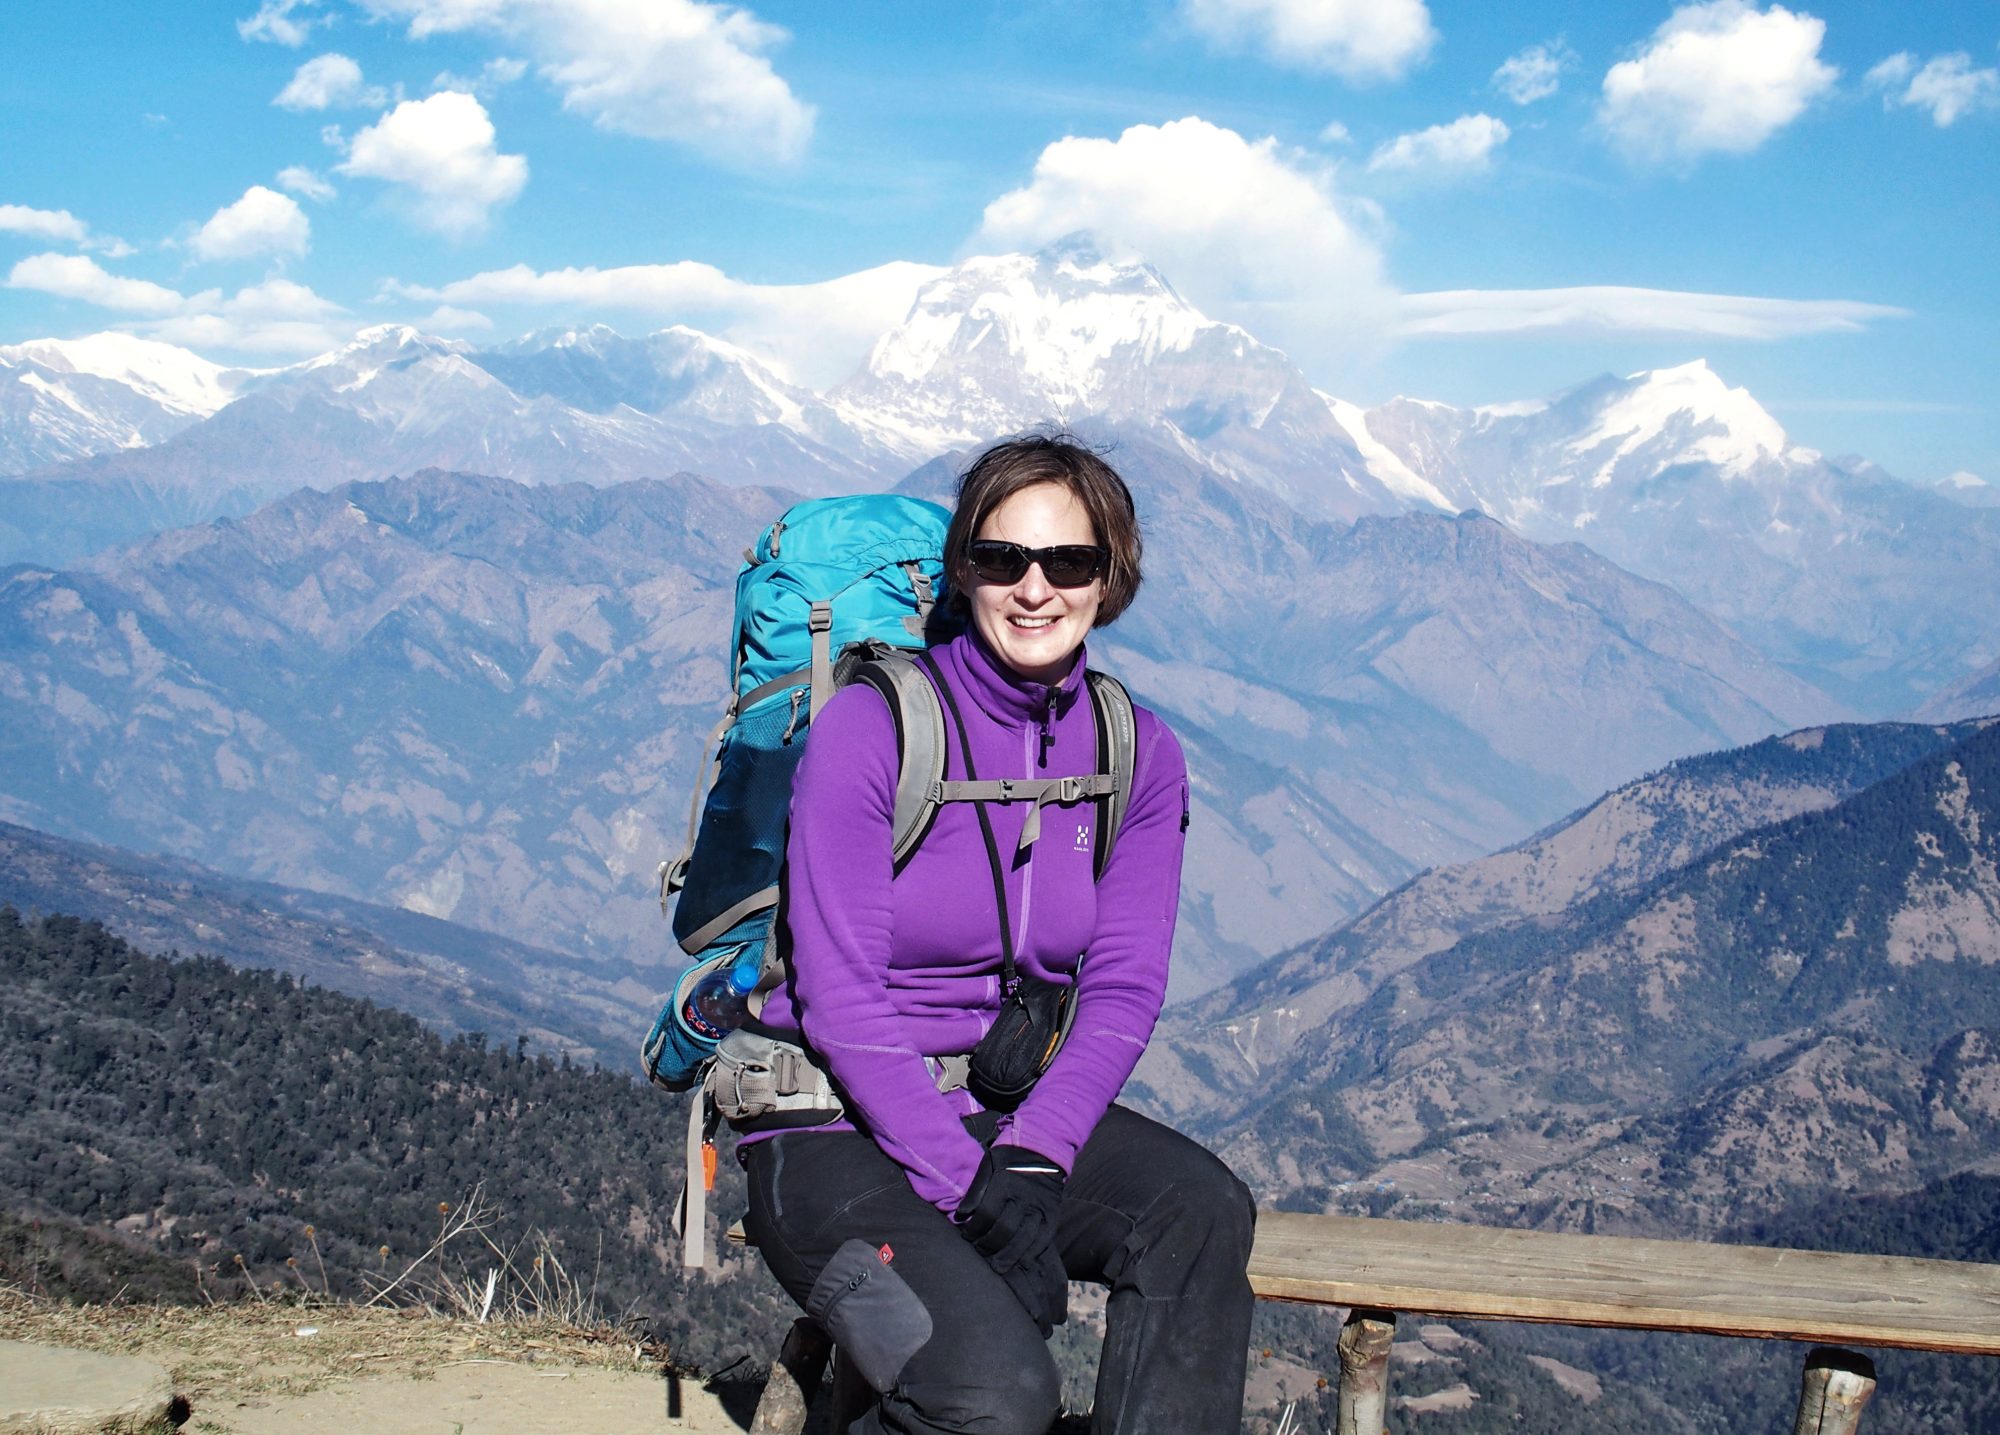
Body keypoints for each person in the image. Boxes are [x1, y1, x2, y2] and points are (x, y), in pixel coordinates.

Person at [738, 433, 1256, 1435]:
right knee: (993, 1394)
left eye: (1068, 560)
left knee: (1197, 1210)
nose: (1034, 587)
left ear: (1111, 576)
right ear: (963, 571)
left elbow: (1123, 986)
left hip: (996, 1113)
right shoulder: (872, 727)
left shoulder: (1136, 753)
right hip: (826, 1138)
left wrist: (1034, 1157)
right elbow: (840, 999)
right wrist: (972, 1188)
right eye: (1001, 557)